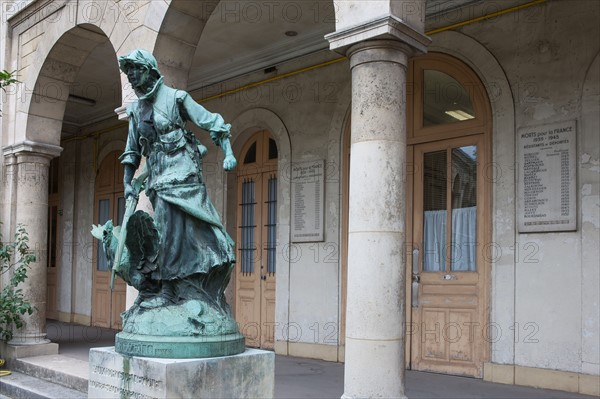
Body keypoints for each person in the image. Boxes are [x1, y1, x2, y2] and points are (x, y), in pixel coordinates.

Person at [117, 49, 236, 309]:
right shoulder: (136, 111)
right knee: (166, 233)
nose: (132, 77)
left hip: (184, 176)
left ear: (149, 69)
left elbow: (211, 122)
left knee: (188, 232)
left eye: (136, 69)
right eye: (128, 73)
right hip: (158, 182)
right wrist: (128, 182)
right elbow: (132, 151)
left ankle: (175, 288)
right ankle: (172, 287)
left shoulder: (176, 98)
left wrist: (228, 153)